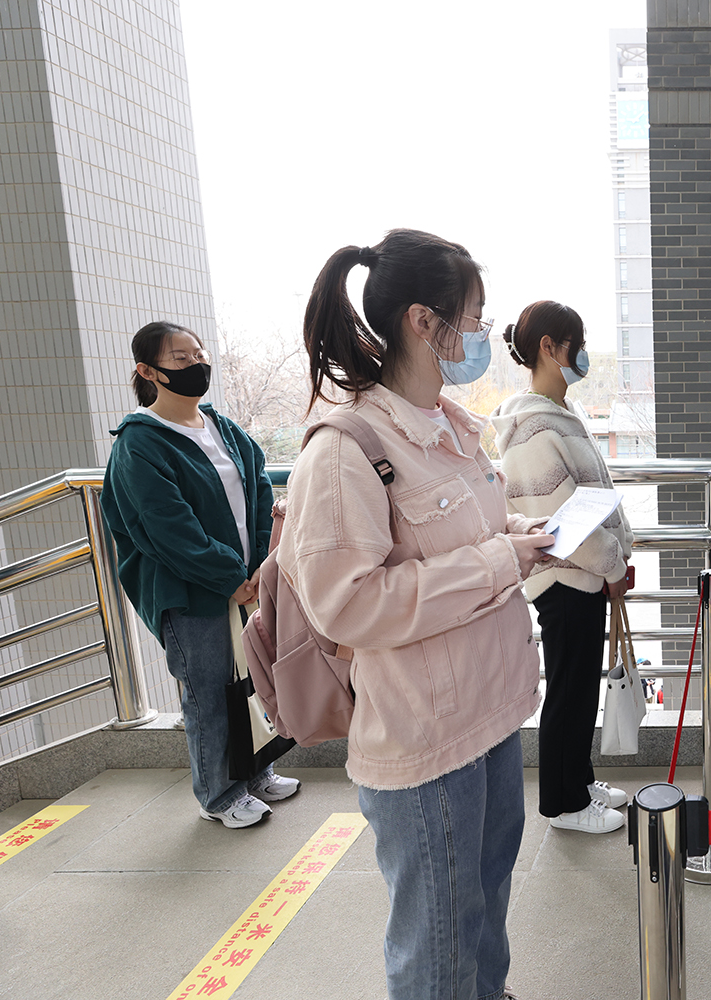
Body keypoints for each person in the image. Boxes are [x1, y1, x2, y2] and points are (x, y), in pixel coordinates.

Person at [280, 229, 554, 1000]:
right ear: (422, 322)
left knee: (485, 914)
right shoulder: (346, 448)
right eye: (472, 318)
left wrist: (521, 538)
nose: (481, 335)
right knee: (438, 945)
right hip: (425, 742)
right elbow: (347, 604)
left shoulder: (449, 429)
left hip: (489, 715)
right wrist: (500, 560)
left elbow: (463, 535)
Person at [101, 321, 297, 830]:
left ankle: (255, 772)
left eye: (199, 354)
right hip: (190, 592)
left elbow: (258, 490)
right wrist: (229, 576)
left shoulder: (221, 426)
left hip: (242, 583)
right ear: (148, 371)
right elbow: (167, 528)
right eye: (181, 358)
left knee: (249, 678)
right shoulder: (139, 443)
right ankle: (219, 794)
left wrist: (258, 566)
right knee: (207, 690)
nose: (197, 365)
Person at [489, 301, 634, 836]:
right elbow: (562, 520)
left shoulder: (559, 414)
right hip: (565, 577)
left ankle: (579, 781)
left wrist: (614, 562)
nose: (584, 354)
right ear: (549, 347)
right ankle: (563, 804)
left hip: (582, 576)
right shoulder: (532, 427)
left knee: (579, 690)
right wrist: (613, 565)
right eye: (577, 343)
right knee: (569, 692)